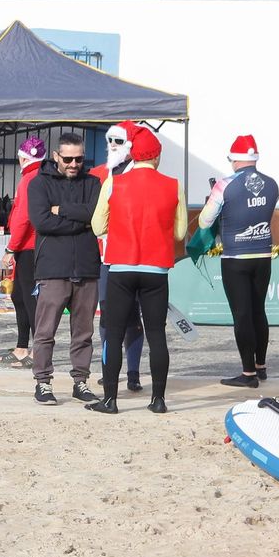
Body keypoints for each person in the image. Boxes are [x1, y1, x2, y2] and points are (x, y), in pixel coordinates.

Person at [89, 126, 185, 414]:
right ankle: (158, 399)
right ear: (156, 157)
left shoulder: (114, 183)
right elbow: (180, 232)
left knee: (114, 333)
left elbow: (97, 227)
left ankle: (110, 399)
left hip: (120, 267)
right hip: (156, 270)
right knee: (156, 334)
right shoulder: (173, 184)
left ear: (132, 153)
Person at [26, 132, 103, 406]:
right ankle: (43, 383)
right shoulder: (38, 184)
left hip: (87, 267)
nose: (73, 164)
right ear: (56, 156)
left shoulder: (94, 183)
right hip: (52, 268)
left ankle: (81, 381)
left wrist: (62, 210)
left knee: (83, 332)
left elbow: (98, 217)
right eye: (68, 158)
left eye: (79, 159)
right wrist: (80, 219)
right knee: (45, 331)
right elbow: (42, 222)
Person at [200, 134, 279, 387]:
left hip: (236, 256)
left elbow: (204, 221)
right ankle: (261, 366)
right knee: (259, 310)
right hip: (263, 255)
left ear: (234, 160)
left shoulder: (224, 185)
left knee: (242, 314)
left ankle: (248, 374)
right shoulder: (272, 184)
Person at [92, 124, 144, 392]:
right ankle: (108, 369)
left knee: (133, 318)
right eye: (109, 139)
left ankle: (133, 373)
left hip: (133, 257)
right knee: (106, 318)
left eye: (118, 140)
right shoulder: (98, 174)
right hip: (104, 258)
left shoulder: (140, 174)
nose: (112, 144)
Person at [0, 135, 45, 367]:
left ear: (22, 157)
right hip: (29, 245)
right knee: (19, 296)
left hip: (28, 246)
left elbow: (24, 217)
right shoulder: (37, 175)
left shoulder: (29, 179)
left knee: (30, 298)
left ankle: (38, 352)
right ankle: (21, 346)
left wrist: (11, 247)